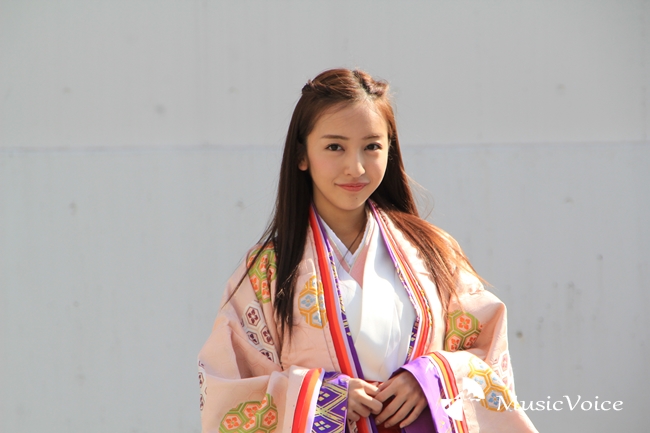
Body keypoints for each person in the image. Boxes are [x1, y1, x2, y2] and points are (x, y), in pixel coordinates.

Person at [197, 68, 538, 433]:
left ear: (390, 150)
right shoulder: (268, 270)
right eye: (334, 147)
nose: (355, 167)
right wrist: (321, 397)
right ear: (302, 155)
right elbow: (226, 388)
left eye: (372, 146)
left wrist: (430, 379)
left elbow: (488, 353)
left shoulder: (433, 251)